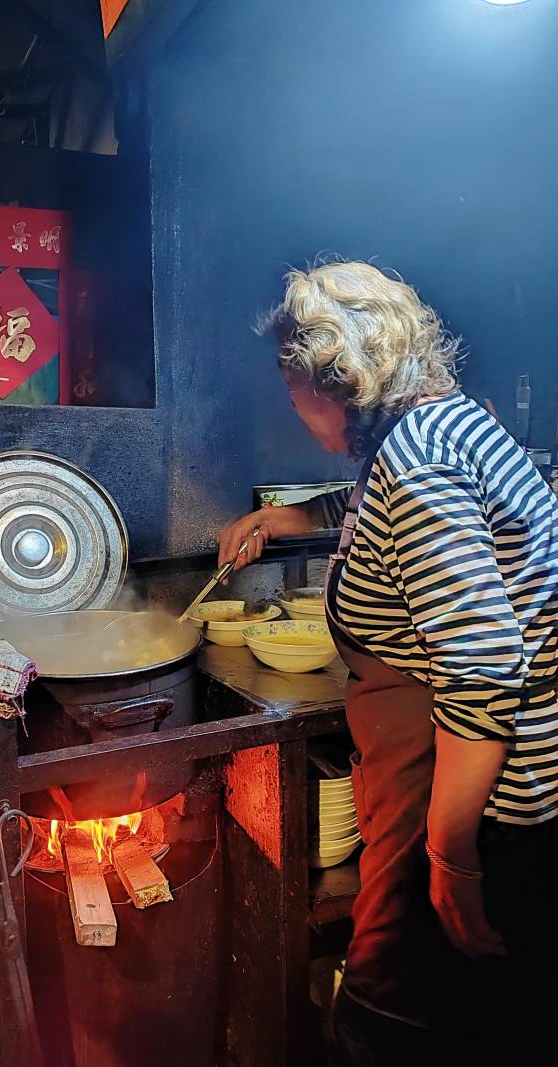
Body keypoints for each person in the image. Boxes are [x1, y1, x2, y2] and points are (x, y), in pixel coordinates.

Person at [218, 261, 558, 1065]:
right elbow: (383, 504)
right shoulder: (445, 425)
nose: (292, 407)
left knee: (399, 1018)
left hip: (488, 795)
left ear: (334, 382)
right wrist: (286, 514)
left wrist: (451, 853)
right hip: (485, 771)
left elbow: (481, 667)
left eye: (291, 386)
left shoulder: (418, 462)